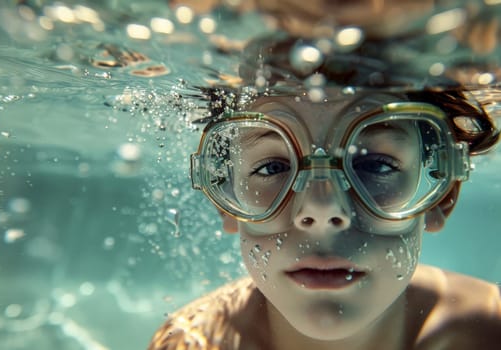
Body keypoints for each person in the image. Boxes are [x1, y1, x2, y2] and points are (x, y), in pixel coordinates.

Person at [148, 23, 501, 350]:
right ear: (225, 200)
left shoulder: (490, 330)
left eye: (374, 165)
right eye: (273, 167)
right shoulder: (192, 341)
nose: (322, 210)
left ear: (442, 195)